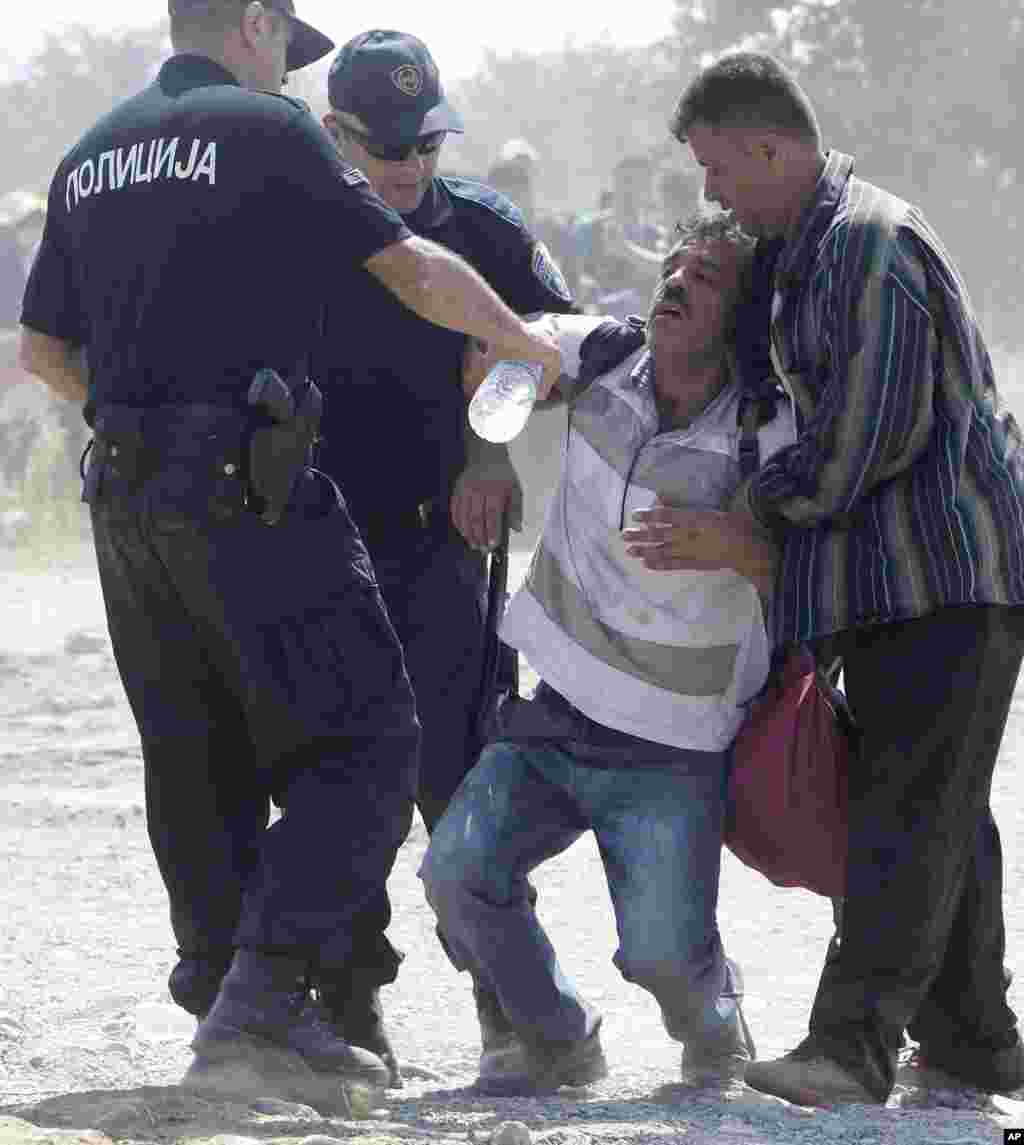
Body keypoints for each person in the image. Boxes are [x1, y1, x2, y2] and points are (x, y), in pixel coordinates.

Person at [16, 0, 562, 1106]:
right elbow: (411, 270)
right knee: (366, 740)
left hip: (125, 495)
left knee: (195, 750)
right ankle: (267, 1008)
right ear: (258, 23)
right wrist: (518, 340)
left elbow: (41, 350)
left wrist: (143, 425)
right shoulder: (267, 129)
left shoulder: (90, 153)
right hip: (249, 486)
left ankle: (231, 1000)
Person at [670, 51, 1024, 1106]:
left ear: (770, 146)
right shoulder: (812, 248)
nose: (712, 193)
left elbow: (866, 435)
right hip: (894, 585)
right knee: (935, 808)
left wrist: (750, 512)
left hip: (944, 580)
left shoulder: (865, 245)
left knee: (904, 816)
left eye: (718, 168)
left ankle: (850, 1045)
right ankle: (972, 1040)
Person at [420, 210, 797, 1095]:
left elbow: (810, 570)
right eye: (677, 265)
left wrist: (733, 544)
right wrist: (488, 456)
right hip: (557, 712)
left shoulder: (768, 433)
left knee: (664, 956)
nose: (677, 284)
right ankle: (558, 1037)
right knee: (458, 874)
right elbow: (506, 349)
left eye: (706, 279)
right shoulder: (600, 354)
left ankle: (716, 1026)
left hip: (675, 744)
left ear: (743, 316)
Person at [311, 28, 578, 1086]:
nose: (409, 169)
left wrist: (488, 443)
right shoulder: (298, 227)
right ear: (336, 134)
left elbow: (548, 345)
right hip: (320, 542)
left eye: (423, 143)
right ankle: (347, 1003)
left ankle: (507, 1005)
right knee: (337, 774)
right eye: (384, 150)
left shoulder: (484, 227)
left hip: (444, 539)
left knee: (464, 774)